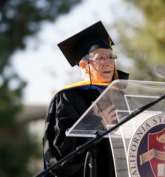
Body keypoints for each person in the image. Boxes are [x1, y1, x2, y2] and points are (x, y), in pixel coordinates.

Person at [43, 21, 129, 177]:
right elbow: (59, 155)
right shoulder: (67, 97)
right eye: (101, 58)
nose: (108, 63)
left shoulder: (121, 96)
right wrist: (96, 125)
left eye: (111, 57)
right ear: (84, 66)